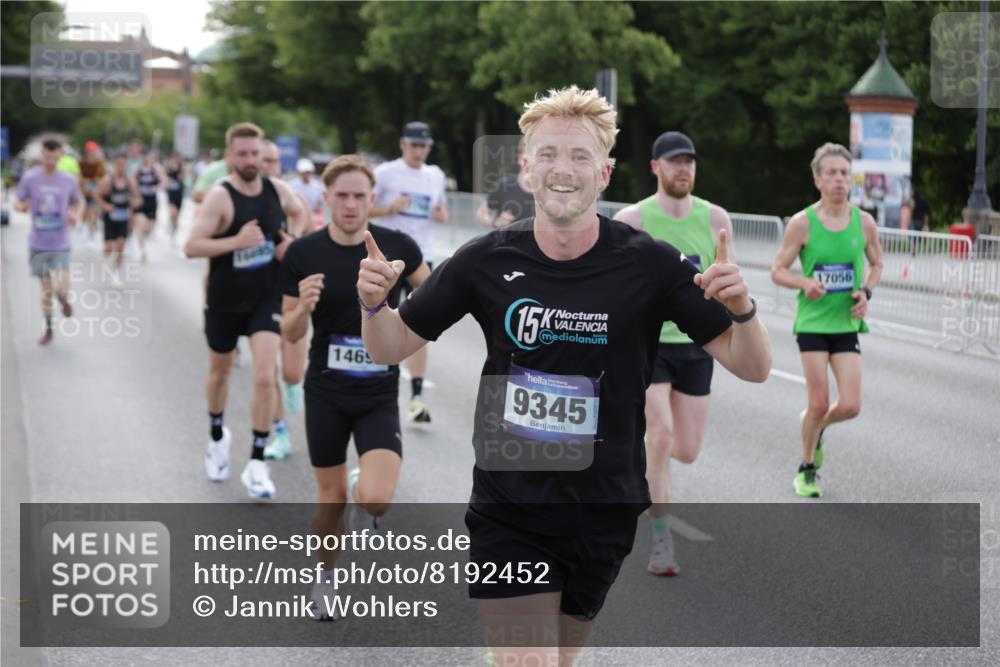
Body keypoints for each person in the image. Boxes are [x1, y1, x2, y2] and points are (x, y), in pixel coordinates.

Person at [358, 86, 771, 663]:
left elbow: (753, 366)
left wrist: (743, 310)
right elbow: (389, 347)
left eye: (579, 155)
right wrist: (374, 304)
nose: (563, 168)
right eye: (548, 153)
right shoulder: (485, 259)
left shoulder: (649, 263)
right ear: (527, 170)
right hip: (509, 505)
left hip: (605, 508)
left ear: (604, 174)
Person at [280, 155, 429, 620]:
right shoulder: (303, 253)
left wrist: (400, 312)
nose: (350, 204)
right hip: (325, 390)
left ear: (372, 198)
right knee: (331, 501)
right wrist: (303, 308)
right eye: (341, 195)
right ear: (325, 198)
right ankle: (325, 579)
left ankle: (363, 491)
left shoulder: (397, 246)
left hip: (377, 393)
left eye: (359, 196)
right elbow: (289, 332)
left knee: (377, 499)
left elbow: (435, 299)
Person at [613, 130, 735, 577]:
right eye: (674, 161)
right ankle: (662, 543)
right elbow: (615, 284)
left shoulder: (715, 217)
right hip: (650, 344)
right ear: (656, 167)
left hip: (698, 346)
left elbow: (728, 276)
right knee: (661, 436)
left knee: (686, 450)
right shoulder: (633, 219)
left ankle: (648, 467)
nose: (683, 169)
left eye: (689, 161)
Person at [184, 122, 307, 499]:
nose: (251, 160)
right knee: (220, 374)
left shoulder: (277, 190)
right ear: (229, 156)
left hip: (265, 298)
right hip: (225, 299)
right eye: (243, 154)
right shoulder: (220, 197)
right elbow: (192, 246)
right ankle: (217, 437)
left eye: (255, 153)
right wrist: (235, 241)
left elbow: (299, 211)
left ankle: (257, 462)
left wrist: (291, 241)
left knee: (266, 377)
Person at [771, 142, 884, 498]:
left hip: (846, 324)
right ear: (818, 179)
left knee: (850, 406)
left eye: (844, 173)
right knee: (818, 403)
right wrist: (804, 283)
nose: (839, 179)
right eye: (831, 173)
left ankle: (817, 428)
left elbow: (877, 264)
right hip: (812, 324)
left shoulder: (864, 223)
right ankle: (806, 469)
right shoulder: (802, 223)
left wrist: (866, 292)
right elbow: (777, 270)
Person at [369, 121, 449, 423]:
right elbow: (362, 209)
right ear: (403, 144)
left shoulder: (435, 175)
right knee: (379, 321)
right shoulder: (385, 173)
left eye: (424, 146)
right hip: (388, 259)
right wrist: (390, 208)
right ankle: (374, 384)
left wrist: (440, 213)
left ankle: (416, 397)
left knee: (420, 325)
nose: (419, 151)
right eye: (414, 145)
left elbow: (442, 212)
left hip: (422, 258)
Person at [258, 139, 308, 460]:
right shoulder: (241, 199)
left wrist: (293, 241)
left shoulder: (293, 199)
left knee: (291, 373)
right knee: (267, 370)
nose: (267, 166)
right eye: (263, 160)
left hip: (293, 294)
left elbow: (317, 241)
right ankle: (280, 433)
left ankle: (293, 385)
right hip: (261, 295)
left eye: (273, 161)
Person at [15, 136, 84, 345]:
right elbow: (18, 200)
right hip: (38, 243)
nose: (50, 161)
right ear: (42, 155)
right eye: (47, 157)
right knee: (46, 290)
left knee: (63, 287)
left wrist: (76, 215)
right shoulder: (30, 178)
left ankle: (63, 299)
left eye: (54, 157)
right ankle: (49, 329)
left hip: (61, 242)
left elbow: (79, 202)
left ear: (60, 156)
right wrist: (21, 207)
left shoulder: (68, 180)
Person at [93, 151, 140, 286]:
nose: (121, 167)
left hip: (123, 219)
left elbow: (138, 199)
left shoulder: (130, 181)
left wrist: (133, 205)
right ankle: (106, 256)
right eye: (119, 164)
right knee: (108, 249)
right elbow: (96, 195)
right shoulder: (107, 181)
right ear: (114, 165)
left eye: (123, 164)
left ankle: (116, 273)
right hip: (110, 219)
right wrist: (106, 206)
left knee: (120, 247)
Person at [475, 137, 534, 229]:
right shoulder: (504, 185)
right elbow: (481, 213)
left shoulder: (548, 191)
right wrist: (495, 222)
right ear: (520, 159)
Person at [130, 151, 167, 262]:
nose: (147, 159)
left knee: (149, 228)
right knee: (140, 225)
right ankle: (142, 250)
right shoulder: (138, 169)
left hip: (152, 202)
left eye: (149, 157)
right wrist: (136, 193)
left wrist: (155, 188)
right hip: (140, 201)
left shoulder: (156, 169)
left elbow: (164, 182)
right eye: (145, 157)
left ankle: (144, 239)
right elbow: (131, 181)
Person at [78, 140, 106, 242]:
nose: (91, 153)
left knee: (93, 211)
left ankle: (91, 232)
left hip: (95, 192)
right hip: (84, 192)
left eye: (93, 151)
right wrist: (85, 181)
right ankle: (84, 226)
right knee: (85, 212)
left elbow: (103, 177)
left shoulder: (100, 163)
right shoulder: (81, 162)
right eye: (89, 151)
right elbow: (79, 176)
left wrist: (97, 182)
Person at [164, 152, 186, 243]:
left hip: (179, 193)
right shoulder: (169, 165)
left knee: (177, 216)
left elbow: (183, 177)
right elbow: (166, 177)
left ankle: (174, 232)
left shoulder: (182, 167)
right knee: (173, 212)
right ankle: (169, 224)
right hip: (171, 193)